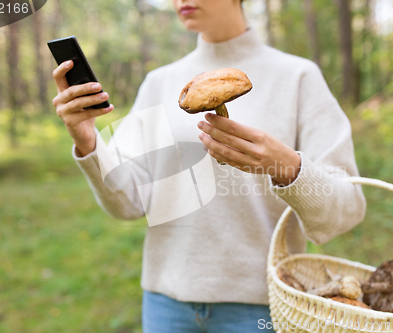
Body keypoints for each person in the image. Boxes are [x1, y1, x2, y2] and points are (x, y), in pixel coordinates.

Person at [51, 0, 366, 332]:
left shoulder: (298, 77)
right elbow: (128, 202)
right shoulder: (160, 82)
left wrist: (286, 166)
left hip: (262, 307)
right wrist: (88, 141)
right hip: (165, 305)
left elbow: (348, 209)